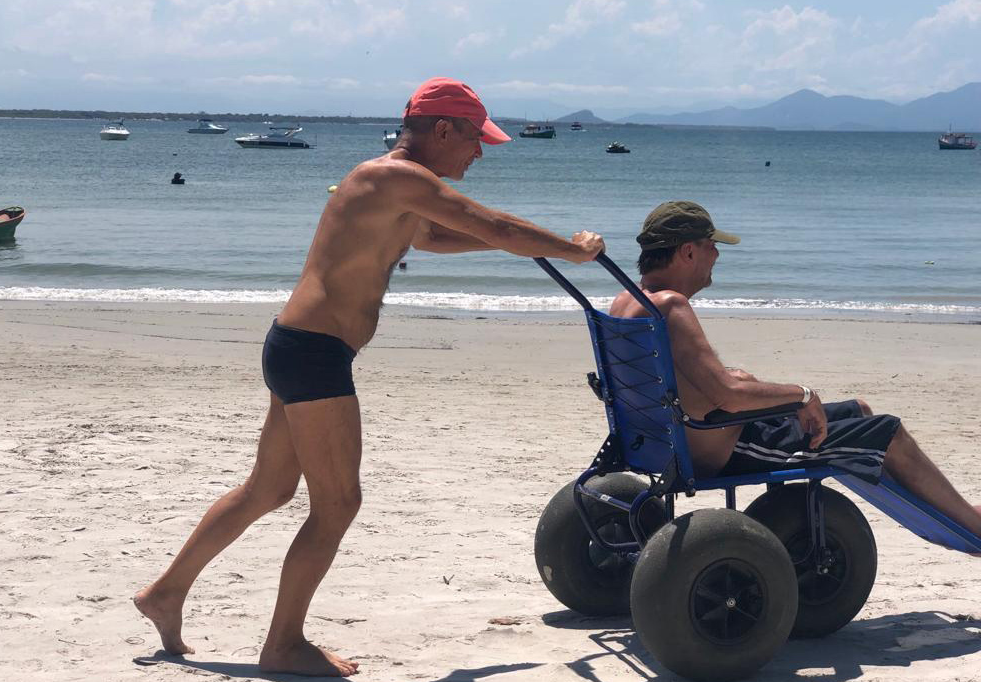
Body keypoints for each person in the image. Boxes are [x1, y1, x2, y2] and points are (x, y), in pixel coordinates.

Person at [133, 76, 605, 678]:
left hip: (299, 346)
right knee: (338, 504)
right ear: (443, 129)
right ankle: (283, 645)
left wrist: (515, 247)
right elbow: (494, 224)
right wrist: (572, 249)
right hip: (314, 355)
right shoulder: (395, 177)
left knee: (268, 491)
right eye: (475, 140)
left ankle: (165, 593)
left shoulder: (394, 187)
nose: (479, 153)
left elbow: (434, 237)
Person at [609, 200, 981, 539]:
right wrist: (802, 395)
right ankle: (968, 523)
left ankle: (948, 510)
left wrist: (741, 381)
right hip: (724, 448)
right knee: (888, 433)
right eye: (711, 245)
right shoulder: (672, 307)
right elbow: (728, 397)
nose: (717, 254)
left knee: (859, 410)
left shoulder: (626, 302)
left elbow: (687, 381)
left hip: (664, 443)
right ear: (688, 251)